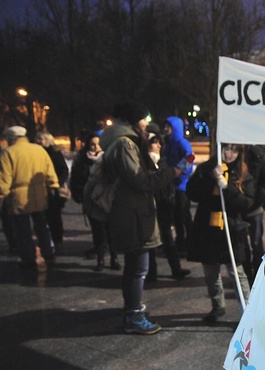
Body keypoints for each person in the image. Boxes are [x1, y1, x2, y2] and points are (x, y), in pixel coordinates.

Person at [100, 101, 180, 335]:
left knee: (135, 267)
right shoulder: (125, 144)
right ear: (134, 120)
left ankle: (133, 309)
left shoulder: (128, 142)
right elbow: (140, 181)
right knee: (138, 268)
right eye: (144, 118)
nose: (147, 123)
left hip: (133, 211)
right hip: (131, 213)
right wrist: (170, 172)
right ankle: (134, 315)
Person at [186, 143, 254, 323]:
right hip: (208, 230)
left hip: (231, 231)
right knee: (211, 271)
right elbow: (192, 192)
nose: (229, 154)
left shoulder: (242, 173)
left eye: (234, 150)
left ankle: (246, 312)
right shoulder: (208, 168)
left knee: (236, 273)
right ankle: (218, 306)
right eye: (226, 149)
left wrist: (226, 187)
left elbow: (246, 203)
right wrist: (210, 178)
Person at [0, 126, 59, 269]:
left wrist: (2, 196)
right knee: (41, 226)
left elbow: (4, 179)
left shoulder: (8, 153)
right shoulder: (39, 149)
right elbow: (49, 171)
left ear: (10, 138)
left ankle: (28, 258)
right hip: (39, 194)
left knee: (22, 230)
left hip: (18, 196)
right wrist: (53, 186)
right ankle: (48, 252)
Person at [144, 123, 191, 282]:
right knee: (151, 239)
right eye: (154, 142)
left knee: (167, 237)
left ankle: (176, 269)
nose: (158, 145)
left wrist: (186, 165)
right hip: (150, 203)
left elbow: (172, 173)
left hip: (164, 203)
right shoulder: (144, 163)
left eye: (159, 142)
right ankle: (152, 272)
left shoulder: (163, 160)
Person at [70, 132, 121, 271]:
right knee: (98, 232)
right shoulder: (81, 160)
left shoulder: (108, 158)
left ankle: (113, 257)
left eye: (98, 144)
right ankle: (100, 260)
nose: (95, 147)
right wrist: (79, 194)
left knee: (111, 231)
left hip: (107, 200)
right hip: (91, 201)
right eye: (92, 144)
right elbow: (76, 179)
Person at [242, 144, 265, 284]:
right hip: (238, 207)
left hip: (254, 208)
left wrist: (256, 201)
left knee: (256, 243)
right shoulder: (233, 153)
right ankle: (246, 274)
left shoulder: (258, 155)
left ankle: (258, 275)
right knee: (241, 244)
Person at [163, 116, 194, 250]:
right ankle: (181, 240)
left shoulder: (182, 143)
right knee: (176, 215)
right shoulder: (168, 143)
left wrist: (179, 171)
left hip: (181, 185)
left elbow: (190, 158)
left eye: (168, 127)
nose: (166, 129)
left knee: (183, 214)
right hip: (171, 184)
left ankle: (189, 240)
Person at [36, 132, 69, 254]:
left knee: (54, 216)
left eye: (41, 139)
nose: (38, 141)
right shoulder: (35, 153)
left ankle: (57, 240)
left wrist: (57, 184)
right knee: (41, 217)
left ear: (48, 140)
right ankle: (45, 240)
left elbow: (63, 170)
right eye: (37, 139)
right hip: (39, 189)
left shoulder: (54, 153)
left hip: (53, 190)